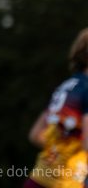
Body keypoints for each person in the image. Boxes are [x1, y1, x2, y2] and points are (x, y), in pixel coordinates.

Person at [25, 28, 88, 188]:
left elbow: (35, 135)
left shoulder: (65, 86)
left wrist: (59, 151)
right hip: (67, 181)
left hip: (38, 178)